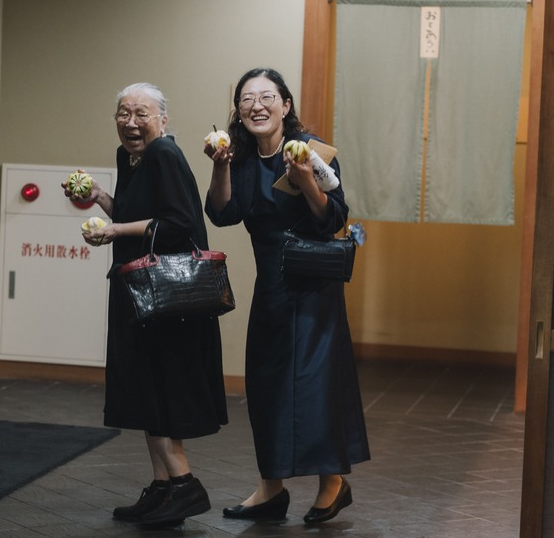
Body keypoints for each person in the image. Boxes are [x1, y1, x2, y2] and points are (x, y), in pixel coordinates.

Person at [203, 68, 370, 524]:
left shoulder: (311, 151)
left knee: (316, 386)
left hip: (314, 289)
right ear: (238, 109)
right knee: (266, 387)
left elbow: (334, 218)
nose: (256, 105)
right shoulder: (237, 157)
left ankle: (332, 483)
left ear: (285, 105)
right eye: (246, 98)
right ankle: (270, 489)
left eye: (267, 97)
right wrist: (220, 165)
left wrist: (307, 179)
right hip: (272, 288)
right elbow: (222, 213)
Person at [64, 82, 228, 527]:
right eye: (123, 113)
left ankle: (185, 486)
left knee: (159, 390)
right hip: (138, 292)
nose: (131, 122)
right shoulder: (130, 157)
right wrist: (100, 198)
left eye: (142, 113)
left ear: (163, 119)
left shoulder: (164, 153)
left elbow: (179, 223)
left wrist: (115, 232)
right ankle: (162, 488)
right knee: (143, 390)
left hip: (164, 301)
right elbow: (134, 214)